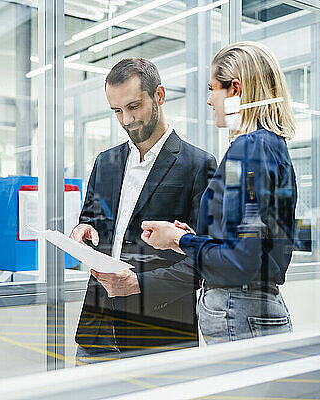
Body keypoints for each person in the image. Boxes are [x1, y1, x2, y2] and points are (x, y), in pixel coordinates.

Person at [140, 41, 298, 344]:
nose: (210, 100)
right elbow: (247, 242)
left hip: (238, 305)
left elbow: (241, 261)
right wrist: (190, 241)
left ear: (235, 89)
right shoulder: (271, 146)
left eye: (214, 89)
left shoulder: (249, 149)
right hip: (255, 306)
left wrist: (179, 239)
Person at [71, 58, 216, 364]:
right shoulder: (105, 162)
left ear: (159, 95)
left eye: (134, 106)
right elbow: (91, 220)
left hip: (158, 333)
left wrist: (138, 284)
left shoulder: (197, 165)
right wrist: (81, 231)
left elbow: (205, 260)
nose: (126, 120)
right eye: (116, 111)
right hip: (96, 329)